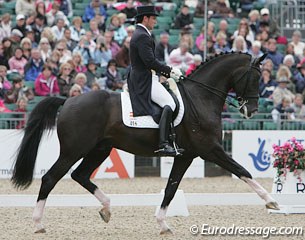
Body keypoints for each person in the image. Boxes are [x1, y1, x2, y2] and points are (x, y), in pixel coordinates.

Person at [127, 5, 184, 156]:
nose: (155, 22)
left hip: (145, 76)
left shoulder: (141, 34)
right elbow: (150, 62)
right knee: (170, 103)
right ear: (145, 18)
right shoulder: (142, 36)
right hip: (143, 80)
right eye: (153, 19)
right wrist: (170, 71)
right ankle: (163, 143)